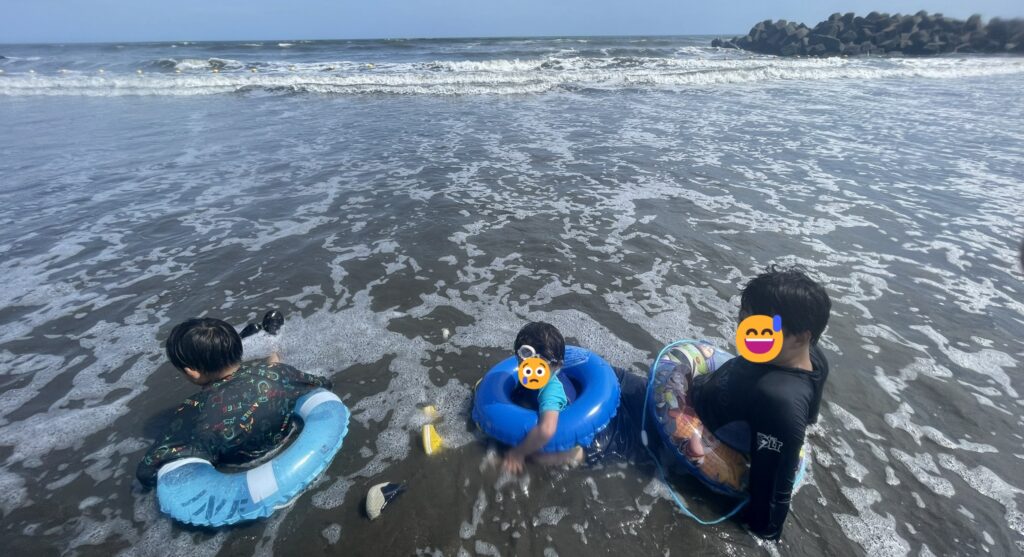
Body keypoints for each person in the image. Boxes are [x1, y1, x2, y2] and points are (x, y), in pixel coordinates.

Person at [689, 265, 831, 540]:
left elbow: (769, 513)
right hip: (731, 398)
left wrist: (753, 534)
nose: (744, 331)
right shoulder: (812, 355)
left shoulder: (779, 401)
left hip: (711, 423)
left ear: (801, 336)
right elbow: (811, 417)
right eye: (744, 320)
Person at [136, 313, 332, 487]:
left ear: (191, 372)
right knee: (271, 377)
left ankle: (267, 342)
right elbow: (324, 384)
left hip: (242, 470)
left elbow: (147, 471)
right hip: (284, 427)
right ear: (239, 350)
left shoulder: (192, 412)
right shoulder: (281, 374)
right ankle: (271, 344)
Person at [501, 322, 581, 474]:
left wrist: (519, 453)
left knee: (536, 458)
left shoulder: (551, 390)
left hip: (566, 440)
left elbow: (546, 431)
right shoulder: (535, 376)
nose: (528, 372)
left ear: (557, 366)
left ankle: (577, 455)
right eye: (522, 364)